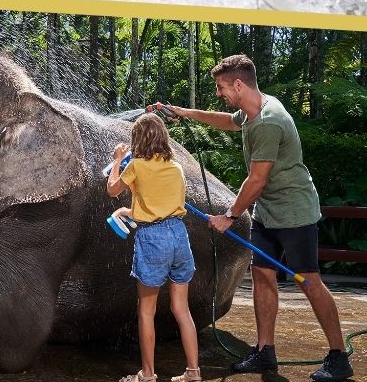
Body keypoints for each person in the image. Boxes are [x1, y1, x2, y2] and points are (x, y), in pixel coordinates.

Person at [163, 54, 354, 382]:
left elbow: (256, 180)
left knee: (309, 282)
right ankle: (265, 351)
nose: (220, 92)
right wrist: (186, 113)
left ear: (239, 84)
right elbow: (228, 121)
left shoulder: (267, 120)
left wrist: (229, 216)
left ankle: (338, 356)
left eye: (222, 87)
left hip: (294, 212)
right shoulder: (252, 111)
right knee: (263, 277)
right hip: (268, 211)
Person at [106, 113, 201, 382]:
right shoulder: (176, 167)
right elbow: (160, 207)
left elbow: (112, 189)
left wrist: (116, 161)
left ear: (138, 140)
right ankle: (193, 372)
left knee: (147, 311)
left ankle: (147, 375)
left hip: (152, 239)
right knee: (181, 309)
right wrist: (129, 209)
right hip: (179, 235)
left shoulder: (135, 166)